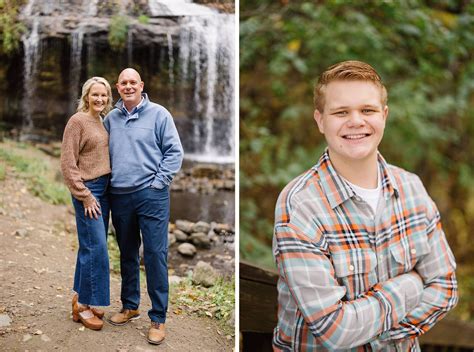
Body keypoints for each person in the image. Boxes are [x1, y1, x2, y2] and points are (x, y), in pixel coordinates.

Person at [272, 60, 458, 351]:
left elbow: (445, 287)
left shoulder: (412, 188)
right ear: (320, 120)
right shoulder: (300, 206)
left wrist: (371, 331)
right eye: (341, 112)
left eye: (367, 110)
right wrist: (410, 286)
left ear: (384, 116)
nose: (356, 121)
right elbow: (335, 332)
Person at [104, 68, 183, 345]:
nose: (128, 86)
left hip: (152, 195)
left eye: (132, 82)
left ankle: (158, 318)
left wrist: (158, 183)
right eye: (123, 83)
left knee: (154, 255)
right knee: (126, 252)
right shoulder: (110, 119)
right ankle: (130, 306)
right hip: (120, 195)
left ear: (141, 85)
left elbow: (175, 151)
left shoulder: (159, 114)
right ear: (117, 87)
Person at [60, 76, 113, 331]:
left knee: (90, 246)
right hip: (88, 192)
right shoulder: (77, 121)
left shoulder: (101, 120)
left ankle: (82, 299)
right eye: (95, 95)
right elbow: (68, 165)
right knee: (98, 249)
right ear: (86, 96)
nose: (100, 99)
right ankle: (83, 305)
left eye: (103, 95)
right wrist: (85, 194)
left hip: (104, 189)